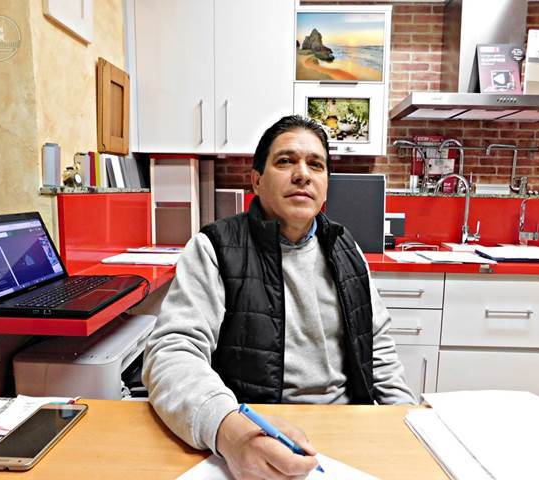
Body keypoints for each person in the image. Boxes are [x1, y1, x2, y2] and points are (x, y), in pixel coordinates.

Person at [142, 115, 415, 479]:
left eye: (315, 165)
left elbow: (378, 349)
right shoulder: (215, 249)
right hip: (257, 431)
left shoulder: (346, 249)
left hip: (346, 429)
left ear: (326, 185)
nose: (302, 174)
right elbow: (172, 352)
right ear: (256, 180)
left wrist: (407, 423)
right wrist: (230, 430)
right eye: (286, 161)